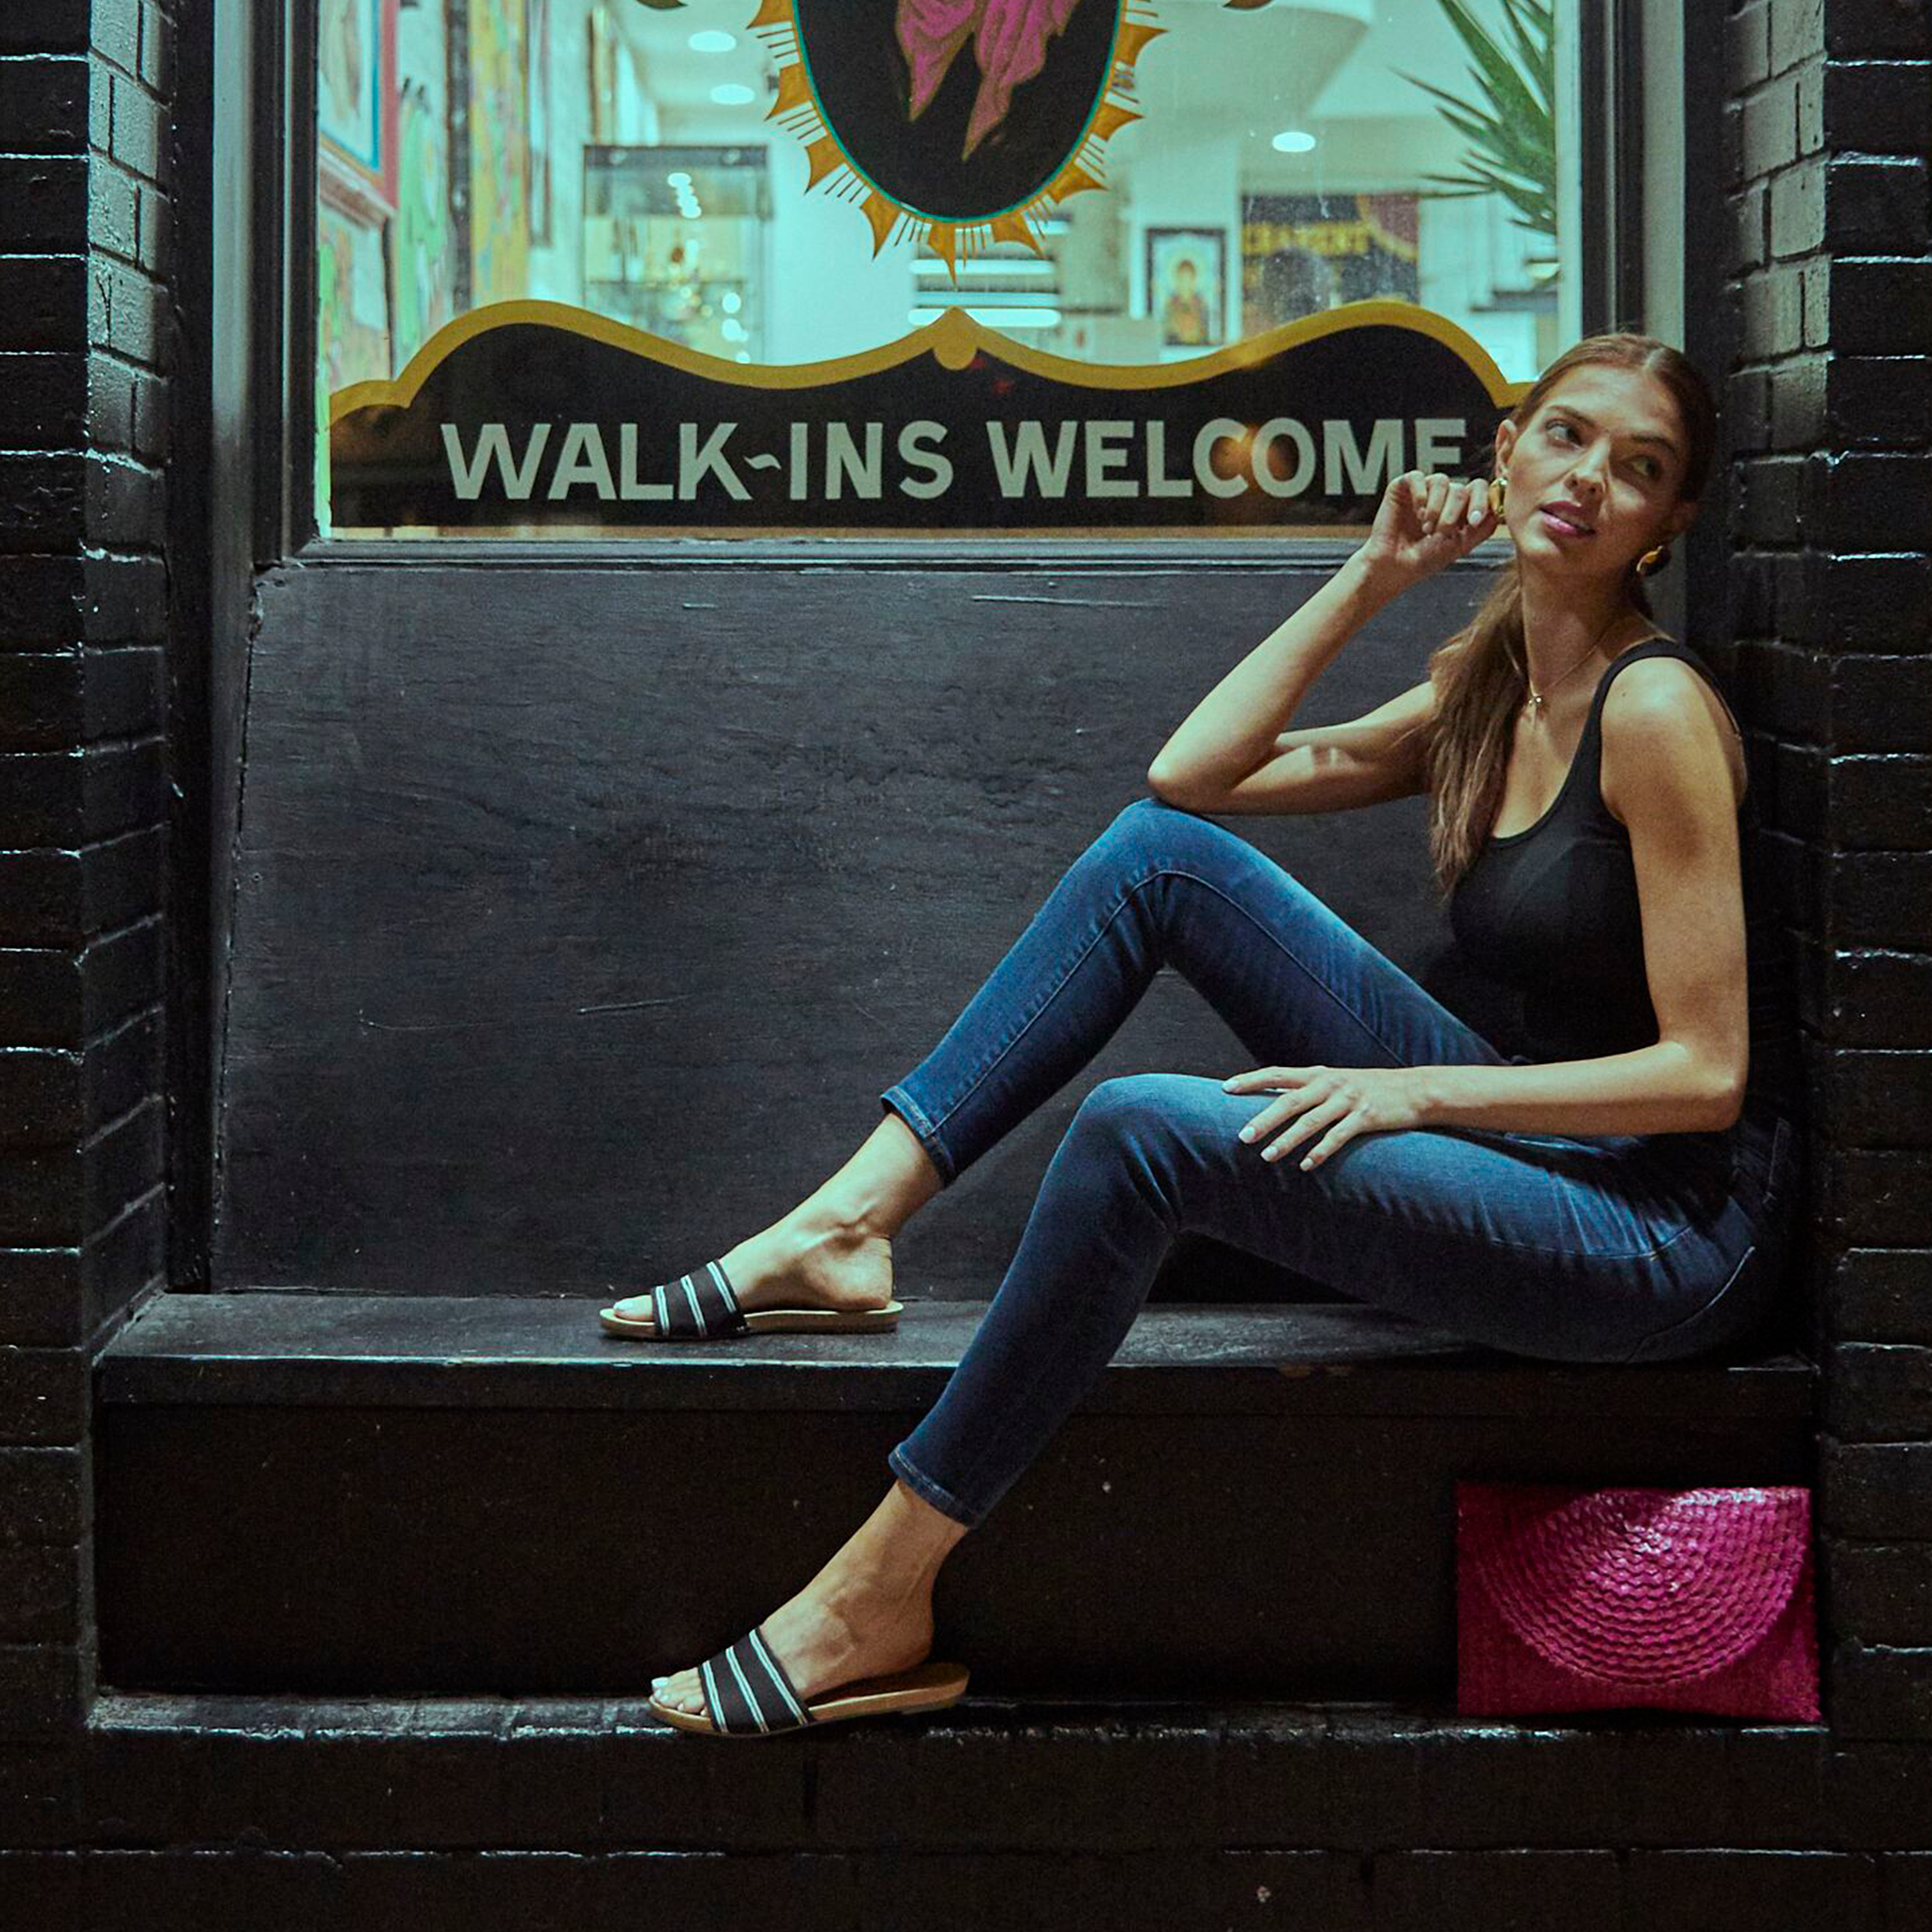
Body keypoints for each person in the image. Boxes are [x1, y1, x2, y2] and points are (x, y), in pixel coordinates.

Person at [608, 331, 1802, 1738]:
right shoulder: (1498, 679)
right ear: (1504, 450)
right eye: (1568, 436)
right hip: (1544, 1139)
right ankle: (850, 1221)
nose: (1592, 478)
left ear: (1671, 524)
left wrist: (1415, 1098)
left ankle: (883, 1591)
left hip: (1661, 1236)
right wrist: (1375, 573)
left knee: (1145, 1135)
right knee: (1155, 856)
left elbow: (1708, 1078)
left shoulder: (1652, 708)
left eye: (1641, 468)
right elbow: (1194, 775)